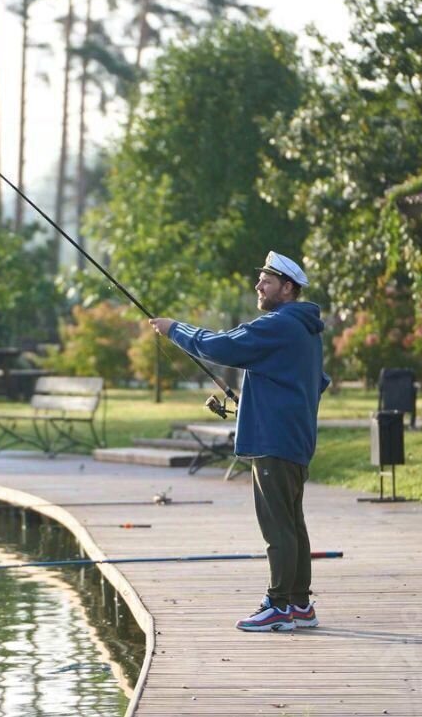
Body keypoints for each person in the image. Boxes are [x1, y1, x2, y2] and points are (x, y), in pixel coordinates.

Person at [148, 251, 329, 632]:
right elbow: (317, 381)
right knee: (292, 522)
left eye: (266, 280)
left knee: (277, 525)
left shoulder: (279, 324)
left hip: (274, 440)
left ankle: (278, 606)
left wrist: (173, 328)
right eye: (260, 278)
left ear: (288, 287)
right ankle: (300, 604)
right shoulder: (306, 331)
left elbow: (222, 346)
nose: (258, 285)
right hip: (293, 439)